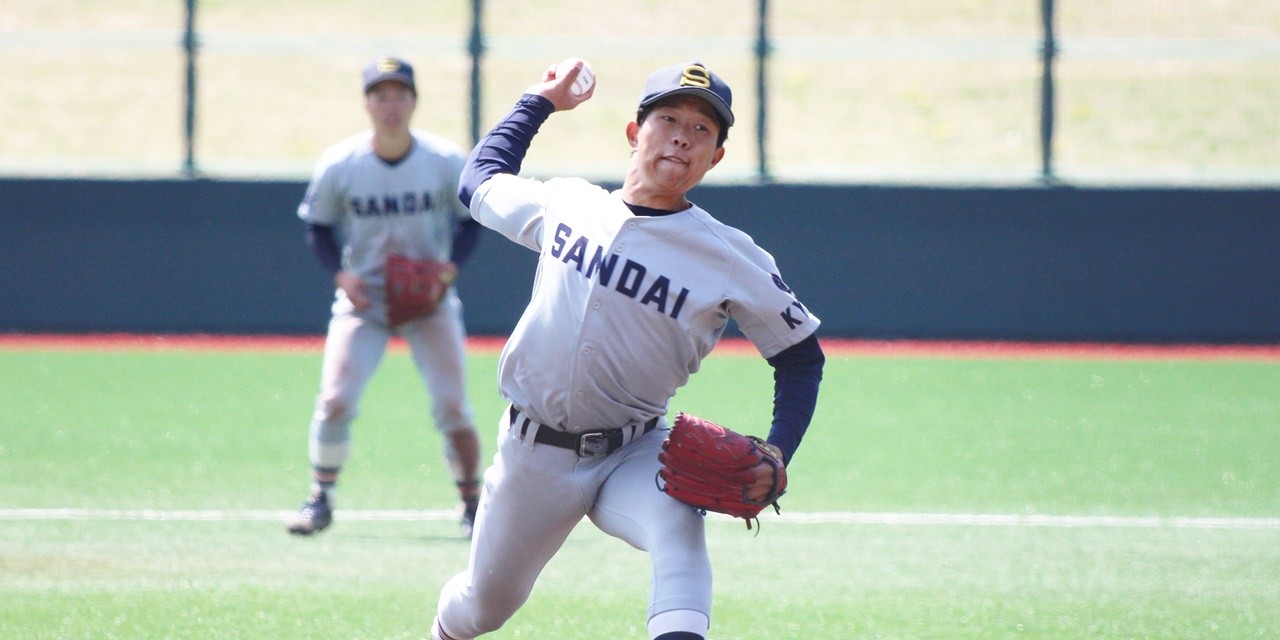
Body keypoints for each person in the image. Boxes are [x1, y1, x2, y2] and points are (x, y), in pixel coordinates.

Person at [430, 60, 824, 640]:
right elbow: (479, 180)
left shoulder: (732, 256)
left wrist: (779, 449)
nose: (683, 137)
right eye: (669, 119)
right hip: (533, 455)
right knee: (482, 608)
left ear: (714, 158)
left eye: (702, 130)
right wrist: (538, 101)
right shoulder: (569, 203)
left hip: (635, 449)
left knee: (677, 528)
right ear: (635, 133)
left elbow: (800, 357)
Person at [286, 56, 485, 539]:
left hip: (428, 301)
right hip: (366, 300)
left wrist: (450, 267)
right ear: (367, 103)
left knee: (453, 407)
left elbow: (471, 217)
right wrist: (340, 275)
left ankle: (474, 504)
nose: (390, 104)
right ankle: (320, 499)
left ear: (414, 102)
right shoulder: (342, 162)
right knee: (335, 399)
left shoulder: (442, 159)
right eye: (381, 94)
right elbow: (317, 224)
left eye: (399, 94)